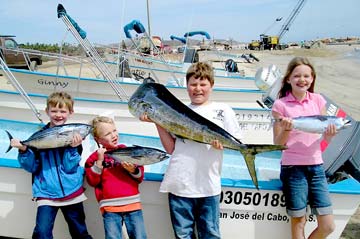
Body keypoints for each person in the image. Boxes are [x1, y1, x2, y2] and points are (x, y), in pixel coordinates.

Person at [141, 61, 242, 239]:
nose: (198, 89)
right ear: (187, 86)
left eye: (203, 84)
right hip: (179, 184)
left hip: (209, 187)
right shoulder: (176, 110)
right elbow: (171, 148)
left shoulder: (223, 110)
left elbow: (236, 142)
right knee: (182, 235)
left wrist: (223, 144)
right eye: (193, 84)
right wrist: (157, 121)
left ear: (212, 85)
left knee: (210, 235)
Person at [10, 92, 92, 239]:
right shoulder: (39, 135)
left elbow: (69, 167)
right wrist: (24, 150)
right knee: (42, 233)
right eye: (54, 111)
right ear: (47, 111)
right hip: (46, 193)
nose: (58, 115)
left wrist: (73, 148)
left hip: (72, 191)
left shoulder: (73, 138)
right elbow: (32, 167)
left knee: (80, 232)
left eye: (63, 111)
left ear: (70, 112)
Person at [272, 57, 337, 239]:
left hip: (316, 167)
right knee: (299, 223)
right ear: (288, 79)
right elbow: (278, 144)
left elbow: (324, 138)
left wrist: (330, 135)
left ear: (312, 78)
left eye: (307, 76)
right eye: (297, 76)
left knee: (328, 226)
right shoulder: (280, 105)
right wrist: (286, 129)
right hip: (293, 168)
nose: (302, 80)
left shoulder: (318, 100)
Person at [85, 116, 147, 239]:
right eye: (108, 133)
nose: (114, 135)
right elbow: (92, 181)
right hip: (110, 208)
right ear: (98, 140)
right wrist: (99, 162)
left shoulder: (128, 151)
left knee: (140, 236)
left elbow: (140, 176)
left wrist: (133, 170)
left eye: (114, 130)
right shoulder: (93, 158)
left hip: (132, 204)